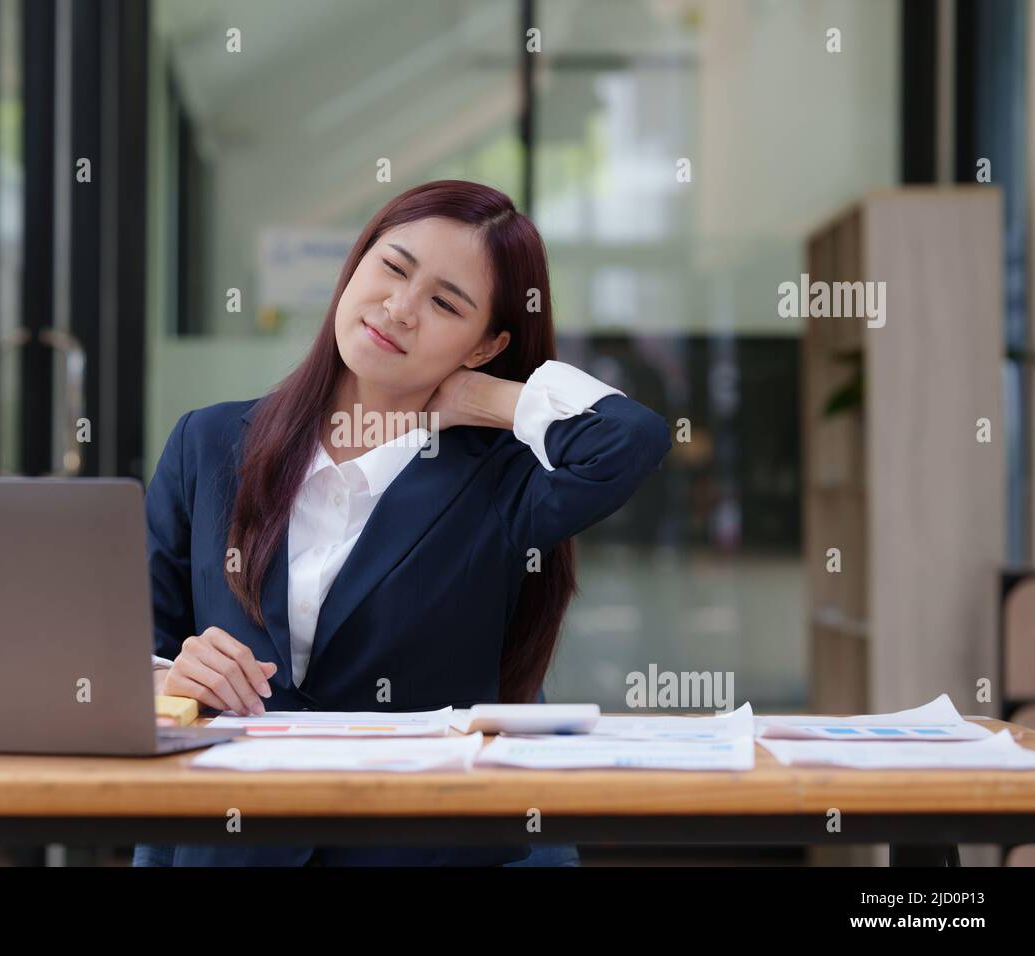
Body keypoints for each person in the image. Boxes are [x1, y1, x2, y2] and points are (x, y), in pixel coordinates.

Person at [134, 179, 671, 866]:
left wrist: (486, 397)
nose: (400, 308)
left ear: (483, 344)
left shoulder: (501, 481)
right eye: (393, 267)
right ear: (356, 263)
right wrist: (172, 677)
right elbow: (127, 652)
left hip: (419, 851)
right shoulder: (206, 445)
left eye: (446, 303)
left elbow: (632, 439)